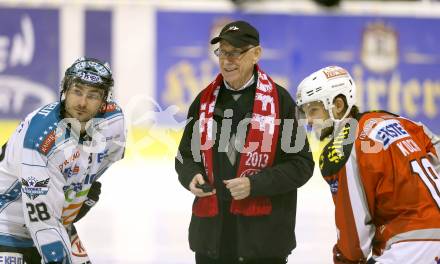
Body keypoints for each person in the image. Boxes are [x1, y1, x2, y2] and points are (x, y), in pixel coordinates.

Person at [175, 20, 314, 264]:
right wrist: (191, 176)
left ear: (256, 54)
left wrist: (255, 184)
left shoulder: (280, 102)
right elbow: (185, 155)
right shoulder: (204, 102)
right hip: (211, 241)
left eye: (236, 52)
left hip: (264, 243)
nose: (228, 60)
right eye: (223, 52)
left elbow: (301, 165)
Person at [295, 65, 440, 263]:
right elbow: (435, 147)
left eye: (313, 110)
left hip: (408, 245)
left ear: (337, 105)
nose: (309, 121)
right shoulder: (395, 120)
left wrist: (345, 258)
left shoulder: (343, 146)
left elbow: (354, 237)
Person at [0, 57, 126, 263]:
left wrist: (78, 192)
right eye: (77, 91)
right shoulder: (40, 140)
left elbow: (96, 164)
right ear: (65, 90)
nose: (82, 103)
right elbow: (41, 219)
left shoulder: (114, 123)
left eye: (93, 95)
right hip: (7, 224)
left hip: (53, 218)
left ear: (105, 100)